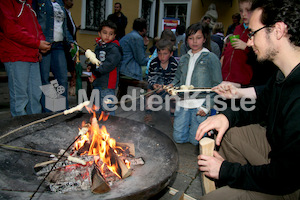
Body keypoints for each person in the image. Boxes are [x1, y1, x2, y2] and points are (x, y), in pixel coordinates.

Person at [196, 0, 300, 199]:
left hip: (289, 183)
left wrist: (226, 170)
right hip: (276, 153)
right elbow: (259, 108)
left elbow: (285, 177)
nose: (249, 41)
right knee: (227, 132)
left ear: (277, 31)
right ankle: (240, 185)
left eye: (253, 33)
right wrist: (226, 117)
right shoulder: (282, 75)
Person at [169, 22, 222, 145]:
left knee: (196, 141)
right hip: (183, 102)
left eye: (198, 38)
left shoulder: (211, 58)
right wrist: (171, 86)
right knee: (178, 138)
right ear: (186, 40)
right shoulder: (183, 58)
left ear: (204, 39)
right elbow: (177, 79)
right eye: (191, 38)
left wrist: (207, 106)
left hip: (200, 104)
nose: (194, 41)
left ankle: (207, 130)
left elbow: (217, 85)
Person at [0, 0, 51, 117]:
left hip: (32, 56)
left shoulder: (28, 5)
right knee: (20, 97)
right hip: (16, 55)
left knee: (35, 95)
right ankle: (20, 131)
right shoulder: (6, 3)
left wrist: (40, 44)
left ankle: (34, 126)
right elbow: (11, 29)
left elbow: (37, 28)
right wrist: (37, 43)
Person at [34, 0, 74, 112]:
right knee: (45, 80)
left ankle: (62, 111)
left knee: (62, 79)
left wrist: (70, 41)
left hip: (60, 45)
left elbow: (64, 26)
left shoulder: (60, 3)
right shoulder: (39, 2)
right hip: (45, 44)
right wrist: (38, 43)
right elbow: (34, 22)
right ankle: (49, 112)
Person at [87, 20, 122, 116]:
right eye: (105, 33)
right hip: (97, 82)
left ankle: (111, 128)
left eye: (110, 34)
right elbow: (96, 60)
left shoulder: (114, 49)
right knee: (97, 108)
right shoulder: (99, 47)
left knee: (107, 109)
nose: (107, 36)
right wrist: (91, 66)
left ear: (114, 36)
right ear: (99, 33)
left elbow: (109, 65)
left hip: (108, 84)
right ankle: (98, 128)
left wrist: (95, 74)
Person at [144, 39, 178, 125]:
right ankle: (148, 113)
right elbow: (150, 77)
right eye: (159, 54)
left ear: (171, 54)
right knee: (148, 91)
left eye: (165, 54)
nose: (162, 57)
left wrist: (166, 87)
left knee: (174, 96)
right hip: (156, 85)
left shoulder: (174, 64)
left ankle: (173, 115)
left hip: (168, 87)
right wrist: (154, 85)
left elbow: (175, 79)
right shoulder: (154, 63)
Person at [221, 0, 253, 87]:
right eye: (241, 10)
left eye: (248, 10)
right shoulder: (238, 28)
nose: (243, 14)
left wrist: (246, 47)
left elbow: (261, 60)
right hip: (227, 80)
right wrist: (223, 56)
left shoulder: (257, 31)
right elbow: (231, 48)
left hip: (243, 83)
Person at [117, 18, 149, 100]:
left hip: (121, 67)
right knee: (151, 70)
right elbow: (141, 60)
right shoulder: (137, 38)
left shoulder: (128, 36)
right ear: (144, 29)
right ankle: (148, 98)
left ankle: (122, 95)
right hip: (128, 69)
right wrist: (151, 60)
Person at [63, 0, 77, 96]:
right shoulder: (62, 12)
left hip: (70, 45)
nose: (72, 1)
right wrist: (70, 42)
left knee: (74, 70)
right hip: (63, 47)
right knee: (61, 76)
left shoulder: (68, 13)